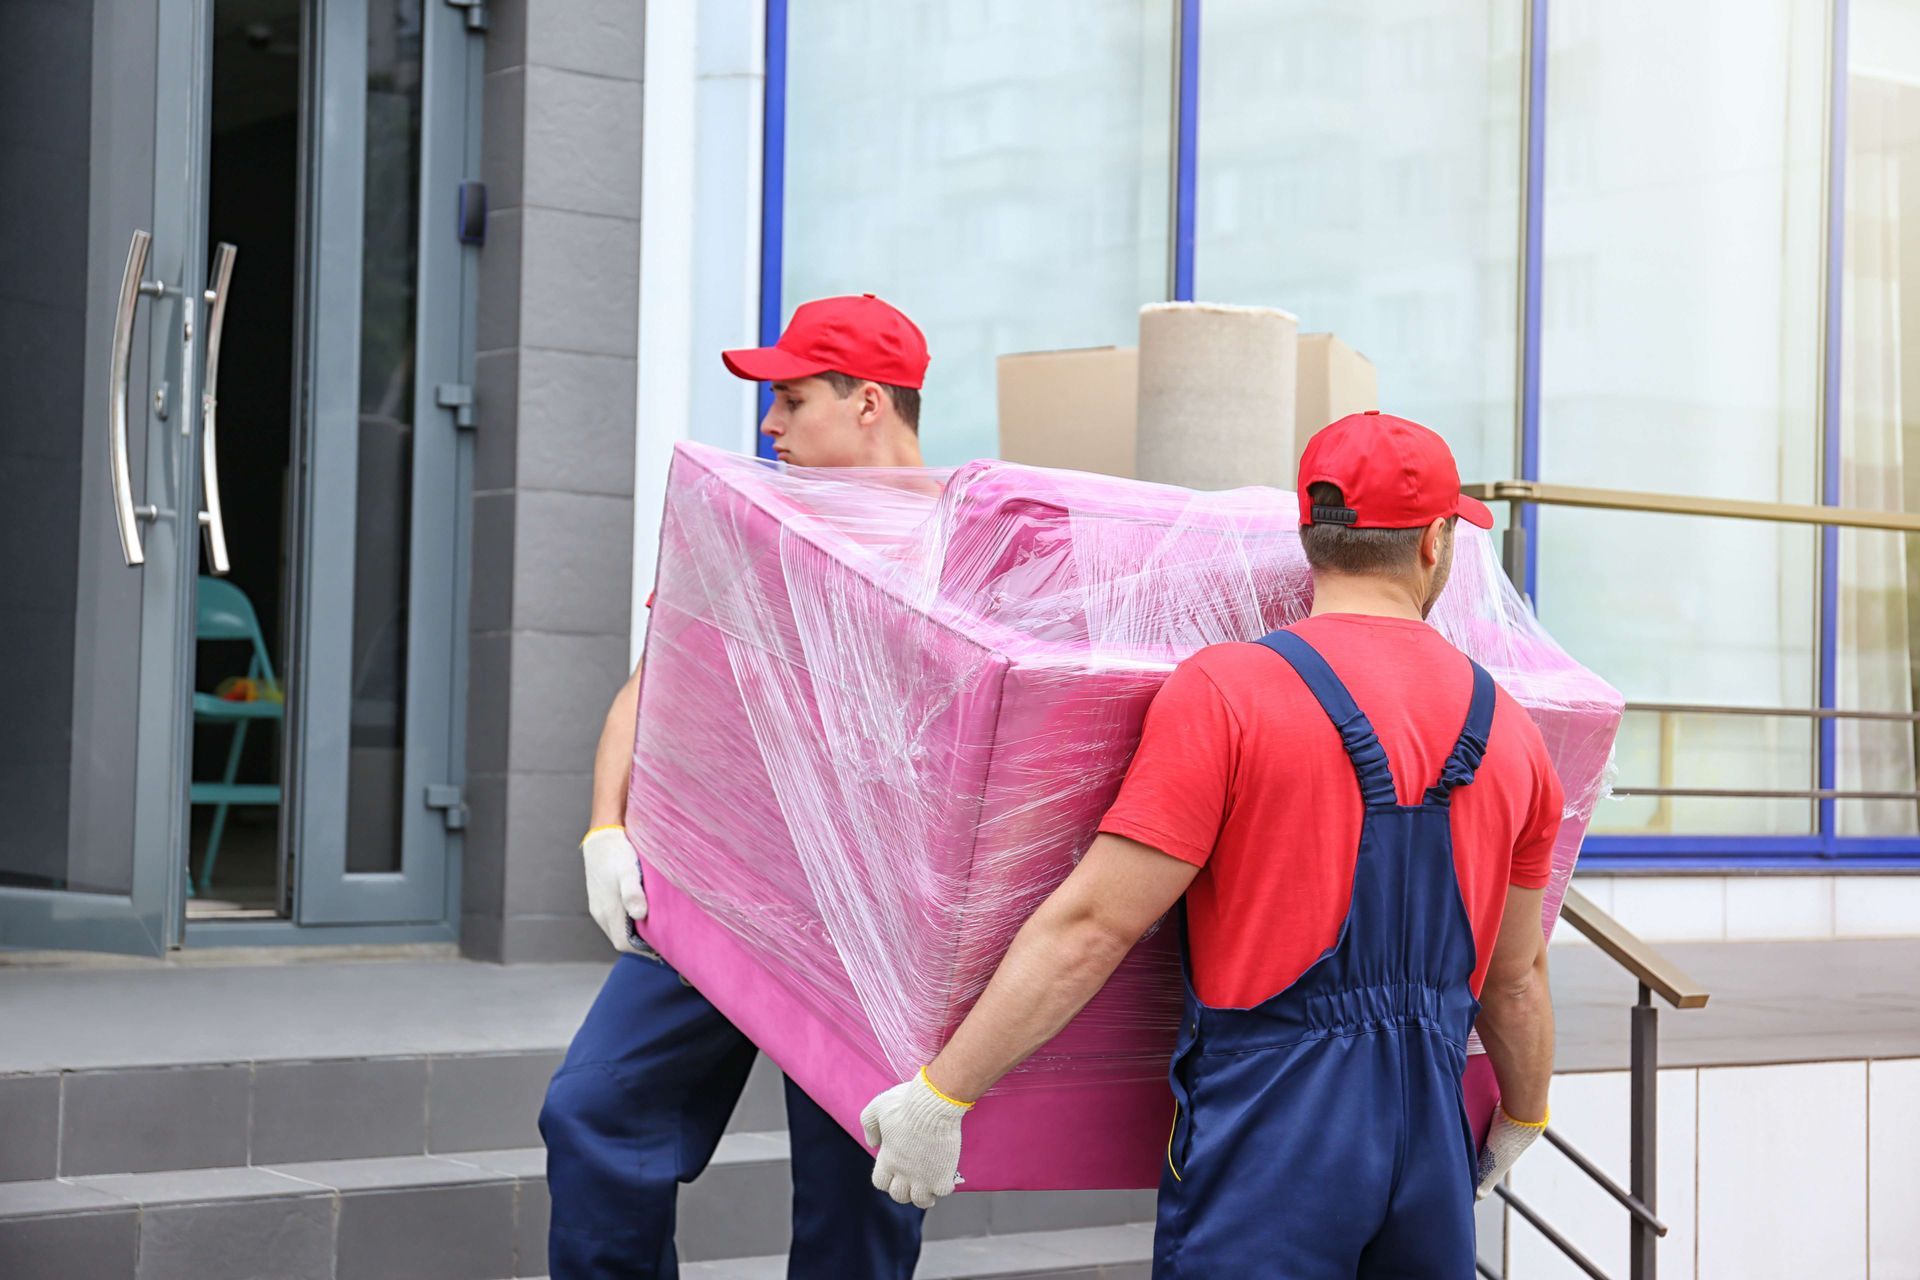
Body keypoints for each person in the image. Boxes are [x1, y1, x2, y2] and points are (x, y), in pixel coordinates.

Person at [860, 412, 1564, 1277]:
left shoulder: (1229, 692)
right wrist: (1522, 1116)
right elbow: (1516, 978)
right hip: (1430, 1132)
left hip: (1273, 1133)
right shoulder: (1513, 731)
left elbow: (1093, 927)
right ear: (1436, 543)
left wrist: (944, 1094)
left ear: (1310, 537)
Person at [541, 294, 932, 1280]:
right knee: (592, 1108)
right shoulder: (750, 526)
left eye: (791, 399)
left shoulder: (967, 544)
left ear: (870, 404)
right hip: (727, 884)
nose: (769, 423)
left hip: (874, 928)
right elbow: (656, 677)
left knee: (857, 1198)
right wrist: (605, 826)